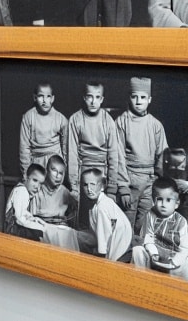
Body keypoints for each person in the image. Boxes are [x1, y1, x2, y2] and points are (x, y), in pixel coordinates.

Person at [65, 81, 130, 204]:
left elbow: (113, 156)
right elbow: (72, 154)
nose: (93, 101)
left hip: (103, 172)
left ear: (102, 99)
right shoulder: (75, 119)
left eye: (97, 97)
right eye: (90, 97)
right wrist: (74, 186)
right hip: (82, 171)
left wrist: (111, 189)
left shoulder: (108, 120)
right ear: (84, 98)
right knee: (83, 217)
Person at [117, 76, 167, 224]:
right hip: (129, 179)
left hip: (150, 181)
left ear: (149, 99)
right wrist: (123, 188)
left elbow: (162, 156)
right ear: (129, 97)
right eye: (134, 96)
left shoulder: (155, 125)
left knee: (145, 224)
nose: (139, 101)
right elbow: (118, 156)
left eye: (143, 97)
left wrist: (158, 182)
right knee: (126, 224)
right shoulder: (121, 122)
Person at [131, 178, 188, 280]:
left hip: (173, 260)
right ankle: (141, 280)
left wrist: (174, 262)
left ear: (177, 203)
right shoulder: (150, 215)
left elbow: (184, 248)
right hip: (155, 256)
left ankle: (179, 290)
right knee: (137, 250)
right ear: (153, 201)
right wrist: (154, 254)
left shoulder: (181, 222)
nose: (163, 204)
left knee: (186, 264)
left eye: (168, 200)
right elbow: (148, 239)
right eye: (159, 199)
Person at [76, 168, 133, 262]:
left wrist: (100, 257)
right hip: (120, 245)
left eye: (93, 184)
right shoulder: (98, 203)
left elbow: (104, 239)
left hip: (121, 249)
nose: (89, 189)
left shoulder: (102, 206)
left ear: (102, 186)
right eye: (85, 185)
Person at [18, 82, 68, 175]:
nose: (44, 100)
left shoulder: (61, 119)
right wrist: (26, 173)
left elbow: (66, 148)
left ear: (52, 98)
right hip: (35, 163)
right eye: (41, 96)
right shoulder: (28, 117)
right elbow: (24, 148)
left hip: (55, 162)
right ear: (35, 97)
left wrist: (63, 169)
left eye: (48, 96)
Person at [5, 164, 48, 241]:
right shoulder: (22, 191)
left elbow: (22, 211)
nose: (37, 187)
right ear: (26, 177)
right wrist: (40, 227)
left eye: (40, 184)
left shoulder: (21, 189)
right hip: (13, 232)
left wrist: (33, 218)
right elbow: (19, 219)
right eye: (34, 180)